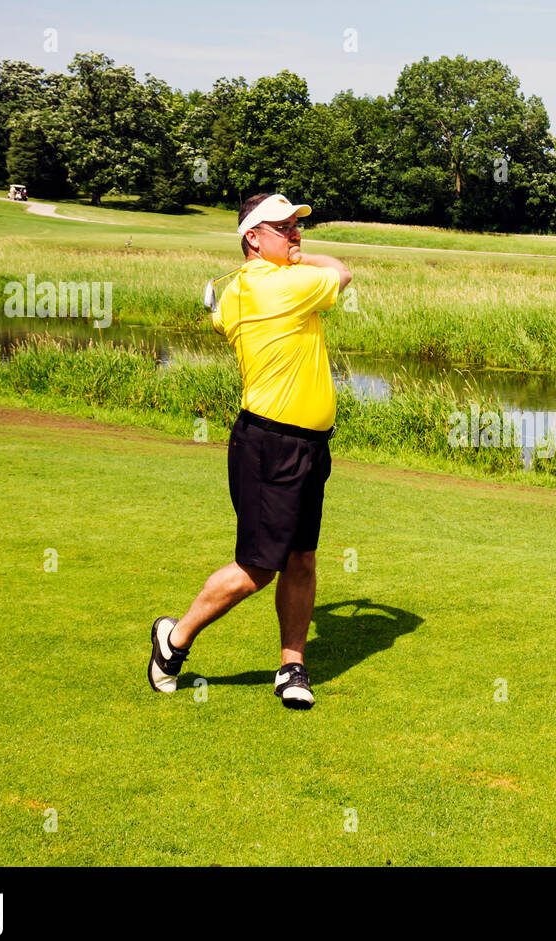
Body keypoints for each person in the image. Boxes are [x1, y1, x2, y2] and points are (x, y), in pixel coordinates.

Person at [148, 193, 352, 709]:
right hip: (270, 444)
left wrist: (279, 260)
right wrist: (304, 259)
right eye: (282, 229)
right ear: (253, 238)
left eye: (297, 228)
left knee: (301, 558)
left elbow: (221, 318)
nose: (296, 236)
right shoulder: (276, 286)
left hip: (309, 445)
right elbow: (344, 272)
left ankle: (292, 667)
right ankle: (174, 639)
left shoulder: (244, 287)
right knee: (259, 566)